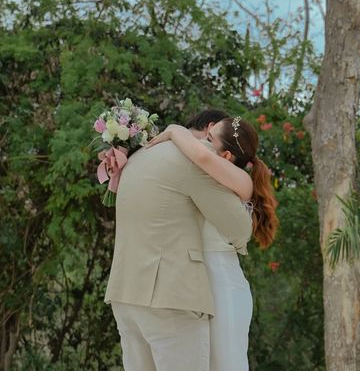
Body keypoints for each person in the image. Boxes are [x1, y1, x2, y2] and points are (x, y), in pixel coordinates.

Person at [104, 112, 253, 371]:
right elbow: (239, 230)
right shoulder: (194, 162)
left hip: (125, 295)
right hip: (170, 300)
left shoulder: (140, 155)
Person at [146, 113, 279, 371]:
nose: (200, 140)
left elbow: (202, 156)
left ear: (227, 157)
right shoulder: (209, 178)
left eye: (208, 137)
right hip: (203, 288)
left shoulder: (240, 180)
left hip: (224, 290)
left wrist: (174, 130)